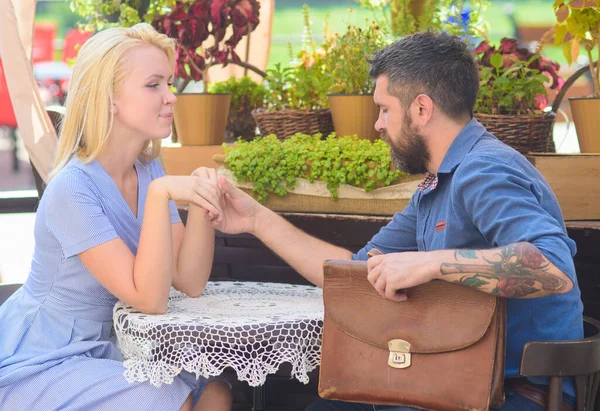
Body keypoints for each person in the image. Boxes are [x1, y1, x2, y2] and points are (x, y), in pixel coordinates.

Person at [207, 31, 584, 411]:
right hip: (452, 384)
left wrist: (433, 263)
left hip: (517, 396)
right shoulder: (437, 185)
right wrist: (255, 219)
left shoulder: (483, 170)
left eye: (384, 109)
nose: (378, 125)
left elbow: (553, 266)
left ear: (421, 109)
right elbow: (354, 272)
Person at [0, 23, 231, 411]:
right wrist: (162, 196)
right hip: (43, 355)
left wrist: (206, 203)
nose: (171, 97)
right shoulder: (71, 189)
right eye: (153, 85)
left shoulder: (149, 171)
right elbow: (150, 299)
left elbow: (188, 280)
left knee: (216, 392)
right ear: (109, 98)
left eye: (169, 83)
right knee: (170, 400)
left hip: (111, 345)